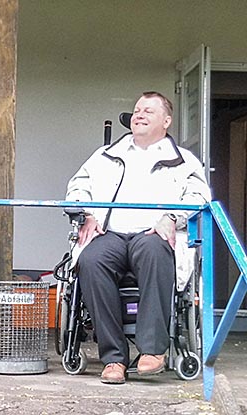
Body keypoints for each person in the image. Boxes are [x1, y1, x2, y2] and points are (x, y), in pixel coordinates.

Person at [65, 91, 212, 384]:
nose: (139, 115)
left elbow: (199, 197)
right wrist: (88, 213)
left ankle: (152, 350)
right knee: (91, 260)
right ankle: (113, 359)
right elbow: (77, 187)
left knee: (155, 253)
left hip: (153, 233)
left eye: (148, 111)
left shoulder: (183, 160)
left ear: (166, 121)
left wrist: (172, 218)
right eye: (136, 110)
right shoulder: (105, 156)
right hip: (111, 232)